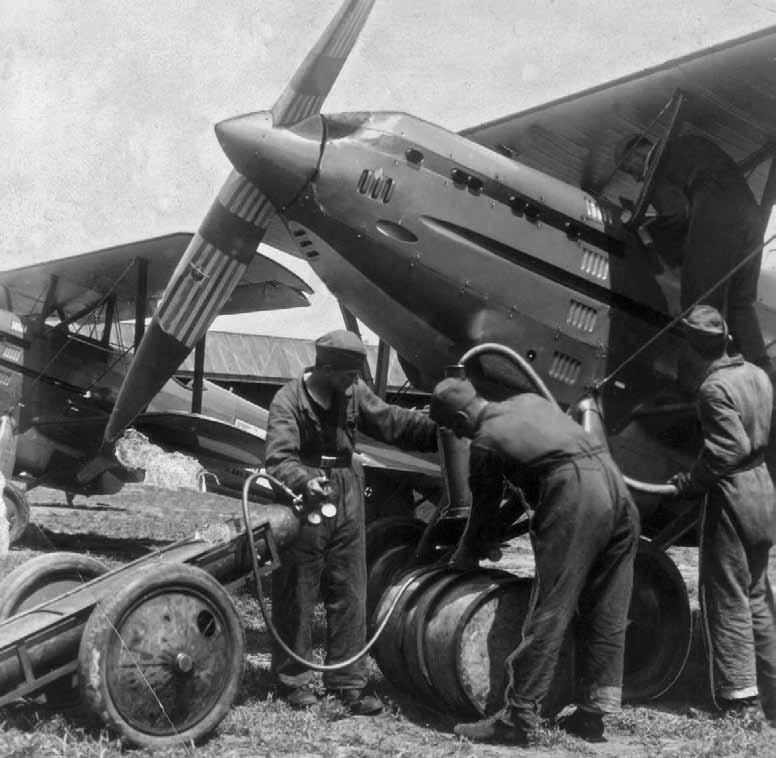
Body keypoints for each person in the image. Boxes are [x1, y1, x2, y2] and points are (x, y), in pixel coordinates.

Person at [429, 378, 640, 745]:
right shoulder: (529, 402)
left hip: (575, 494)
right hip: (617, 491)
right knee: (606, 607)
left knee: (550, 607)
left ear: (463, 415)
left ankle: (519, 717)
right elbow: (532, 479)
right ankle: (593, 714)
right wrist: (493, 531)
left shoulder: (485, 441)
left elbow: (482, 511)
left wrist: (466, 555)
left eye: (452, 426)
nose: (456, 435)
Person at [264, 329, 438, 714]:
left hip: (348, 490)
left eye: (356, 375)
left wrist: (439, 424)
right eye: (347, 375)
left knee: (351, 589)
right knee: (298, 589)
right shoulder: (288, 400)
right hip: (304, 497)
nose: (354, 383)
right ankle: (294, 681)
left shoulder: (353, 392)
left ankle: (348, 684)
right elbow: (277, 459)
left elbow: (392, 422)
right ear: (324, 368)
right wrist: (303, 481)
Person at [668, 305, 776, 726]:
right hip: (764, 488)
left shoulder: (714, 388)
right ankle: (770, 693)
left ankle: (740, 702)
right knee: (756, 595)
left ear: (695, 347)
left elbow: (728, 448)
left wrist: (692, 481)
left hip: (733, 493)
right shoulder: (756, 374)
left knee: (726, 595)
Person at [615, 133, 769, 370]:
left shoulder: (657, 166)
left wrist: (643, 228)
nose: (635, 177)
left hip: (718, 221)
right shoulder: (688, 140)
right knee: (740, 303)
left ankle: (715, 372)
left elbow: (678, 215)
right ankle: (763, 369)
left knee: (698, 303)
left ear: (638, 150)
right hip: (753, 219)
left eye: (629, 168)